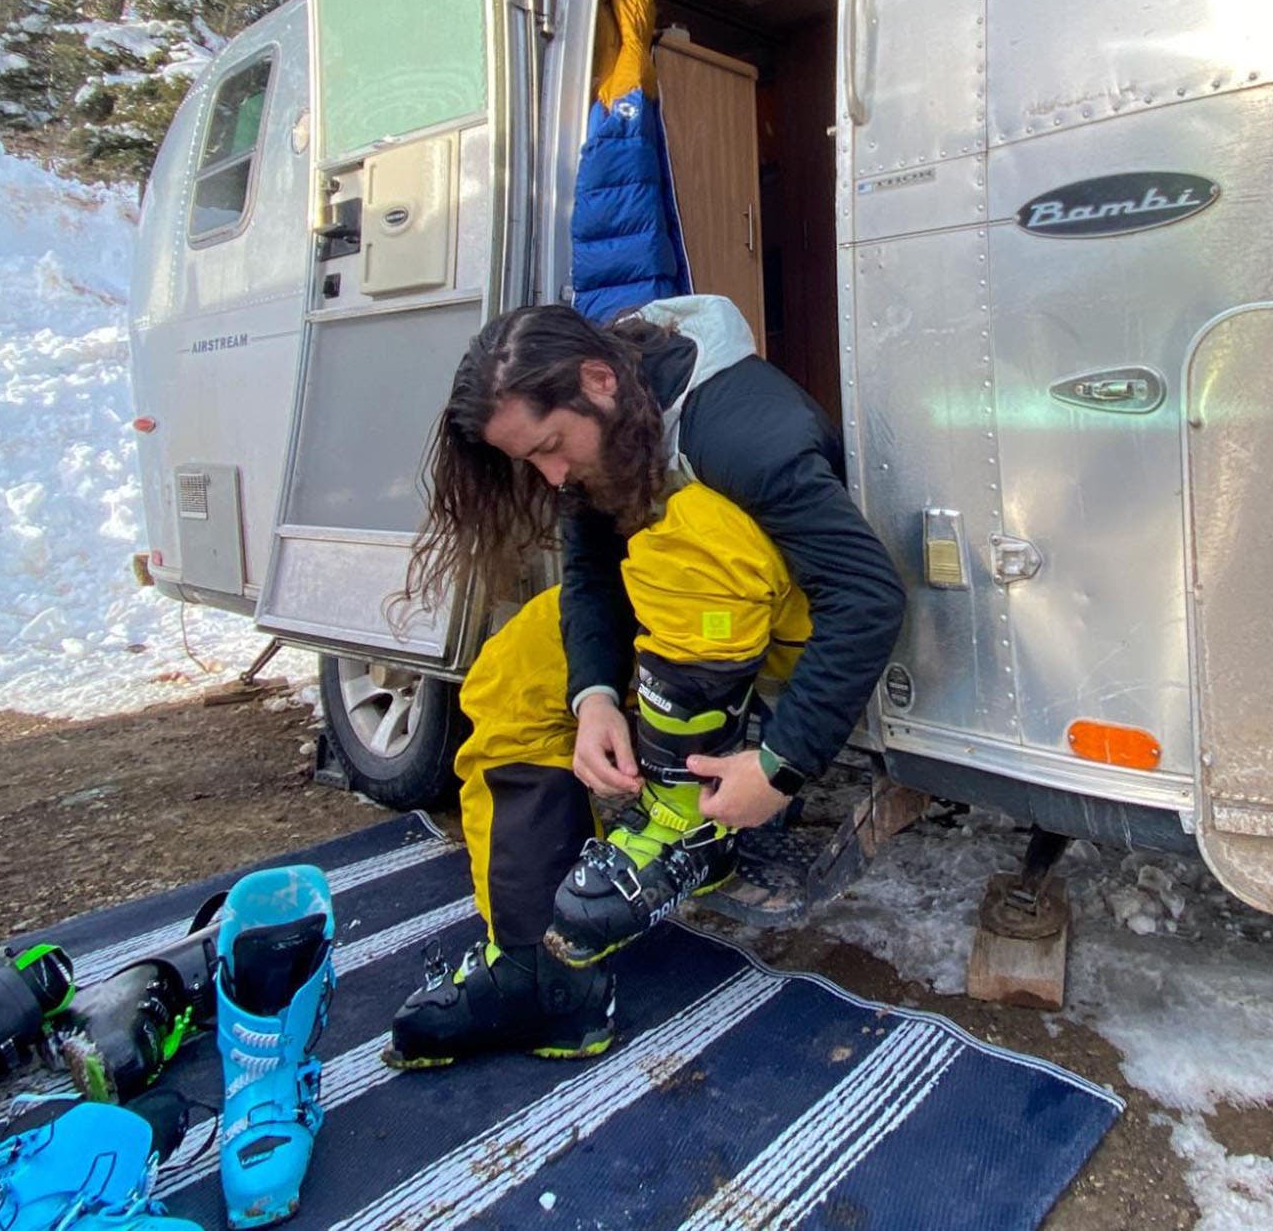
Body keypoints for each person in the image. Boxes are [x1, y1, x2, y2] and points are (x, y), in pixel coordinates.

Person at [383, 295, 905, 1068]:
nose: (551, 472)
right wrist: (593, 695)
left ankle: (688, 820)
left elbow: (868, 594)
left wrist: (781, 767)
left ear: (598, 380)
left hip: (791, 634)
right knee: (510, 672)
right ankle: (542, 976)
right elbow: (591, 573)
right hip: (685, 625)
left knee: (681, 535)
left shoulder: (736, 425)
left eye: (553, 447)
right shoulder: (612, 423)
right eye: (530, 460)